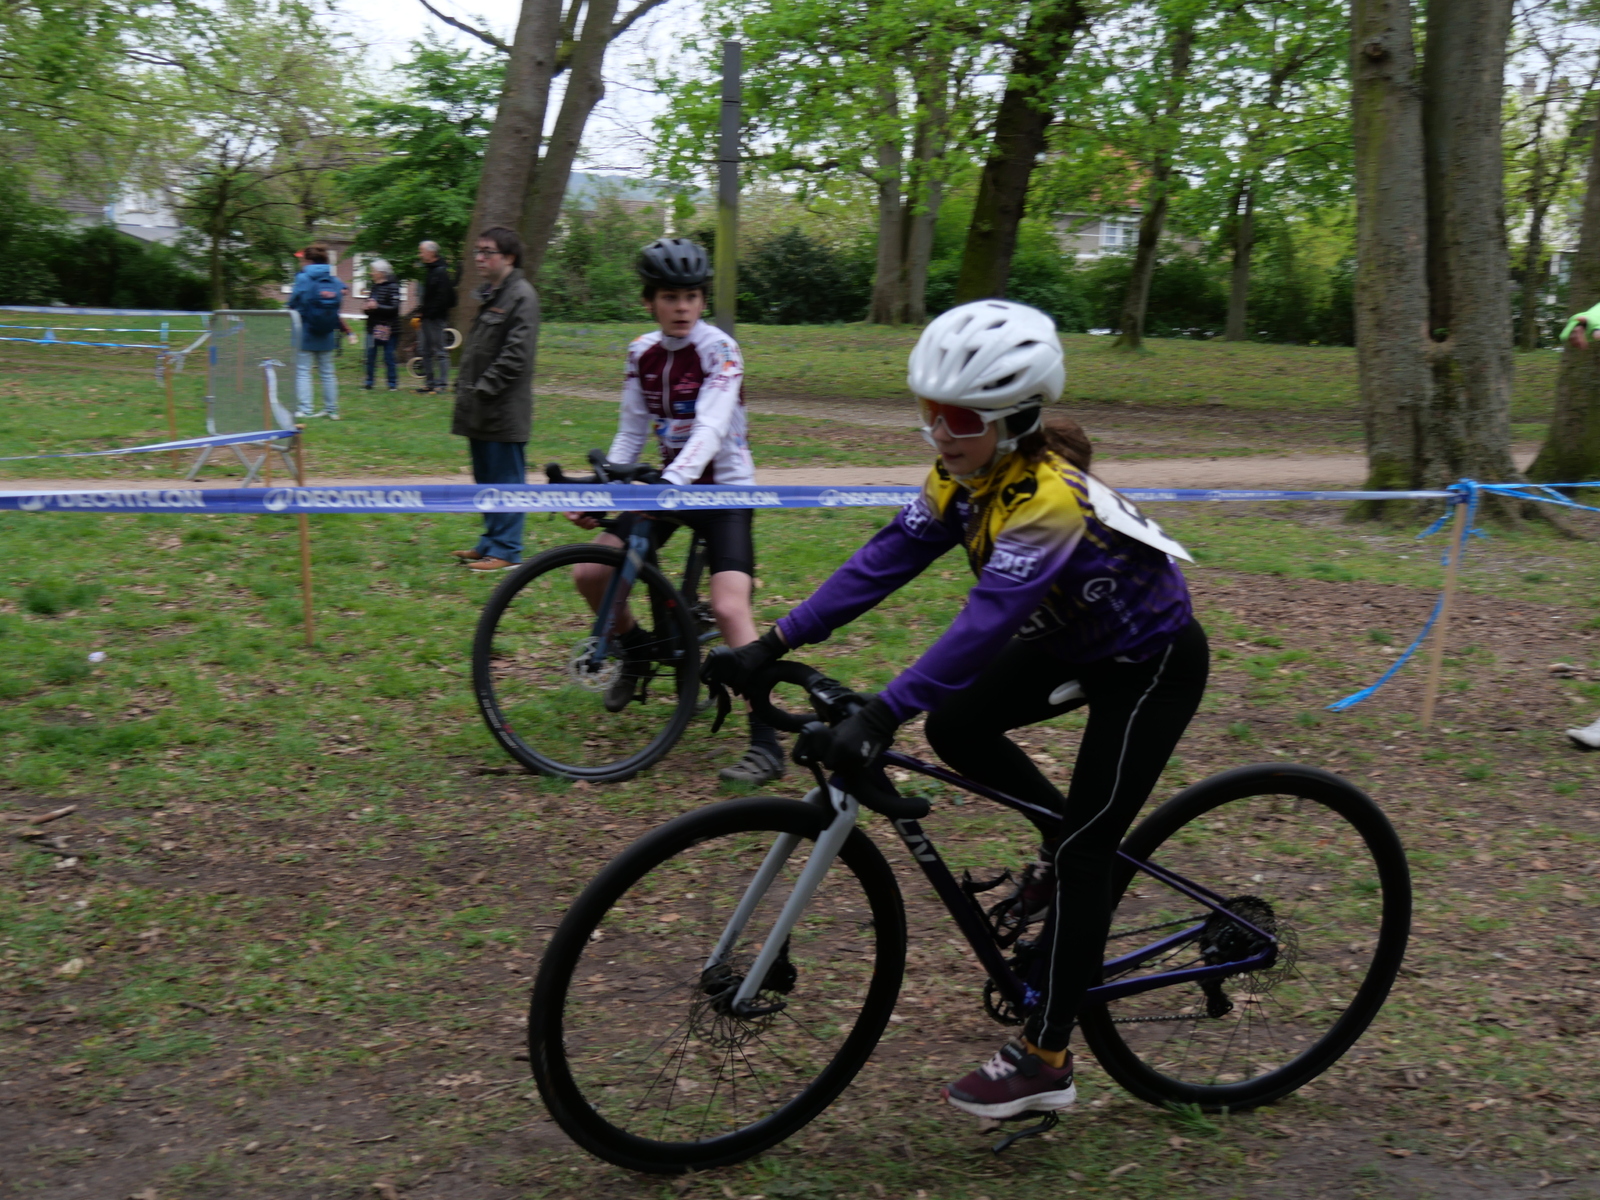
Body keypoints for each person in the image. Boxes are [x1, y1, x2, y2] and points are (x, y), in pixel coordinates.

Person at [705, 299, 1210, 1119]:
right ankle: (1068, 845)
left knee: (1087, 857)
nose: (940, 433)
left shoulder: (1047, 501)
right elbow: (887, 558)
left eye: (961, 419)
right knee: (957, 727)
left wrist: (882, 714)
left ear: (1017, 419)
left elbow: (982, 627)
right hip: (1069, 641)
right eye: (930, 413)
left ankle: (1048, 1059)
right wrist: (773, 641)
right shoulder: (962, 475)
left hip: (1148, 664)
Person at [568, 237, 783, 785]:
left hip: (723, 491)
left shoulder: (721, 350)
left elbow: (710, 427)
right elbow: (630, 433)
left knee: (730, 607)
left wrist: (667, 485)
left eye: (691, 296)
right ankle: (637, 649)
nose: (682, 307)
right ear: (649, 302)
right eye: (670, 297)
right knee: (591, 572)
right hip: (667, 486)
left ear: (702, 300)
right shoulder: (640, 352)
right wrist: (607, 492)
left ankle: (767, 741)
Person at [450, 226, 538, 572]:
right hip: (481, 408)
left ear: (509, 257)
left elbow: (516, 357)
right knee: (486, 480)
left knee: (507, 482)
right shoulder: (493, 295)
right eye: (477, 251)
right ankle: (490, 542)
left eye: (487, 252)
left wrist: (482, 389)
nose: (479, 258)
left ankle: (508, 551)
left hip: (502, 410)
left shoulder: (522, 296)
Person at [286, 245, 346, 421]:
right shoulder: (334, 280)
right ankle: (332, 410)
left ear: (309, 261)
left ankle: (306, 409)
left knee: (303, 371)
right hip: (327, 331)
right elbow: (341, 296)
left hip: (305, 330)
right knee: (327, 372)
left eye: (302, 260)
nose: (300, 263)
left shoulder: (303, 278)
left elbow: (294, 301)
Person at [412, 240, 454, 394]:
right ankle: (429, 383)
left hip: (436, 319)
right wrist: (422, 313)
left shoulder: (441, 272)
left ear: (431, 253)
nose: (420, 255)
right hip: (427, 318)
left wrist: (430, 312)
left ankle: (441, 384)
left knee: (439, 351)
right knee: (425, 350)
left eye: (421, 251)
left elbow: (444, 298)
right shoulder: (431, 271)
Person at [363, 259, 401, 391]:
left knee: (388, 356)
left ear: (381, 273)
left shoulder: (393, 287)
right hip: (372, 327)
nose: (371, 273)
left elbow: (395, 308)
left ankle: (392, 384)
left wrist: (377, 306)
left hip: (389, 328)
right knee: (370, 356)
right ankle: (369, 382)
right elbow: (371, 307)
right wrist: (366, 308)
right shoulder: (374, 287)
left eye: (373, 271)